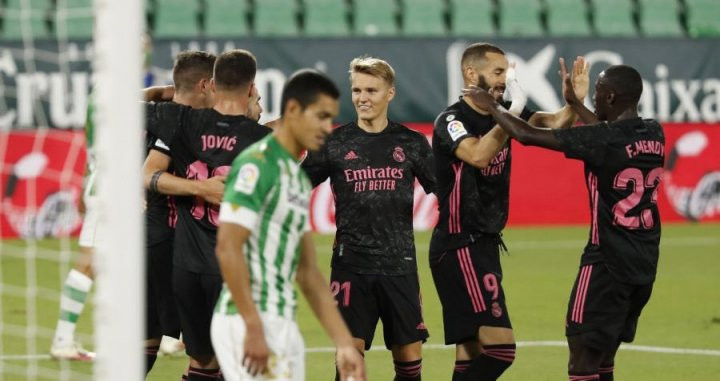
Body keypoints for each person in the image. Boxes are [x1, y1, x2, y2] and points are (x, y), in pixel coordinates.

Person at [463, 61, 664, 381]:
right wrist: (574, 103)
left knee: (582, 354)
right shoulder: (654, 131)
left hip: (606, 263)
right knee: (604, 356)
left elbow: (527, 135)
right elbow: (607, 133)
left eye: (598, 94)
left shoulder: (605, 140)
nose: (594, 100)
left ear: (611, 98)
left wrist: (493, 107)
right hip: (644, 263)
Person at [429, 42, 589, 381]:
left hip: (483, 245)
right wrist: (510, 113)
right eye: (499, 71)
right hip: (460, 246)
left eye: (507, 71)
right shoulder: (452, 119)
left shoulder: (504, 109)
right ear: (472, 74)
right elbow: (478, 155)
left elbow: (554, 123)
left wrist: (573, 102)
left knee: (471, 355)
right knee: (500, 349)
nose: (506, 78)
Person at [211, 69, 366, 381]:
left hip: (283, 322)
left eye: (331, 118)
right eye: (321, 116)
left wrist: (344, 343)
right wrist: (253, 326)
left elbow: (307, 272)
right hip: (248, 320)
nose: (327, 127)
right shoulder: (256, 164)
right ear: (293, 110)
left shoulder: (295, 177)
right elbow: (228, 247)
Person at [301, 56, 435, 381]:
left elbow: (447, 191)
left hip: (399, 265)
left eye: (372, 90)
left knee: (409, 365)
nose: (363, 98)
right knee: (348, 365)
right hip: (350, 267)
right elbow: (295, 184)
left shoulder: (412, 143)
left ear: (390, 93)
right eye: (357, 90)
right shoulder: (333, 143)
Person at [143, 49, 271, 381]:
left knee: (201, 363)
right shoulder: (263, 141)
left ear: (213, 84)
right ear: (252, 87)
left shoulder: (179, 122)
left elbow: (147, 174)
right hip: (224, 267)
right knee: (239, 364)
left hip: (185, 264)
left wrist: (161, 93)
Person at [142, 50, 217, 376]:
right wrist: (203, 189)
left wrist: (162, 92)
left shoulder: (150, 114)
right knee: (210, 348)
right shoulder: (186, 123)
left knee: (146, 338)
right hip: (181, 245)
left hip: (149, 239)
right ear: (204, 85)